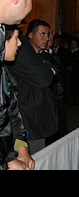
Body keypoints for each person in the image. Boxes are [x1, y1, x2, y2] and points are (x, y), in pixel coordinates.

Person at [6, 19, 59, 154]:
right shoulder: (22, 52)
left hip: (39, 116)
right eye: (42, 34)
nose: (47, 39)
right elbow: (45, 77)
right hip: (28, 118)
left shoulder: (43, 55)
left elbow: (55, 71)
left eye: (48, 35)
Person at [0, 25, 35, 170]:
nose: (19, 43)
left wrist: (22, 150)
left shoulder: (5, 74)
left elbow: (13, 116)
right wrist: (6, 161)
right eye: (16, 38)